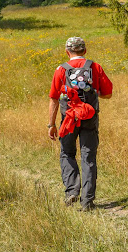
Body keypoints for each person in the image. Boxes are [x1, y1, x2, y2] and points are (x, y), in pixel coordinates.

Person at [48, 37, 112, 211]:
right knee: (88, 157)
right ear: (84, 51)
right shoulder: (95, 67)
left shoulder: (61, 69)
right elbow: (107, 94)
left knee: (67, 153)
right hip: (89, 118)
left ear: (67, 52)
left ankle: (72, 191)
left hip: (68, 119)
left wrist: (51, 124)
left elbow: (54, 99)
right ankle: (87, 201)